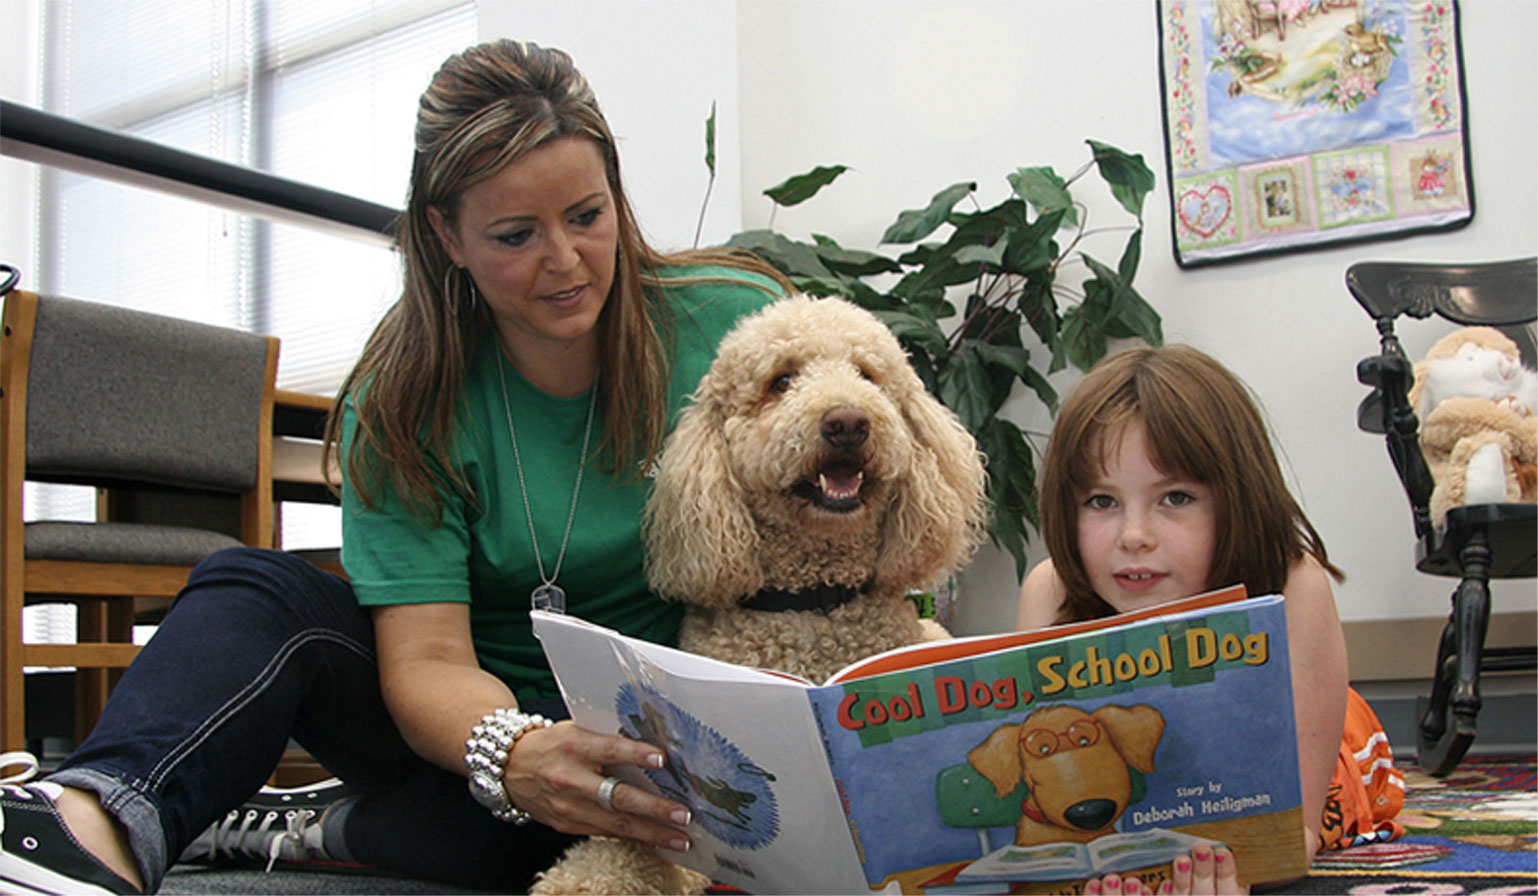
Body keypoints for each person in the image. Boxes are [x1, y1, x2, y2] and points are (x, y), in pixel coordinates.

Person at [0, 39, 788, 895]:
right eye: (516, 235)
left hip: (660, 729)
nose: (563, 259)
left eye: (587, 216)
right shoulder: (405, 396)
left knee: (527, 849)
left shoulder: (734, 326)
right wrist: (515, 753)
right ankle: (88, 825)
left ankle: (310, 826)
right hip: (467, 725)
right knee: (256, 593)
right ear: (446, 233)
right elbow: (427, 659)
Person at [1015, 345, 1403, 896]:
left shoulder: (1294, 583)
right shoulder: (1050, 590)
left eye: (1175, 497)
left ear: (1235, 498)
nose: (1134, 535)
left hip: (1328, 743)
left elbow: (1296, 835)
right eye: (1102, 501)